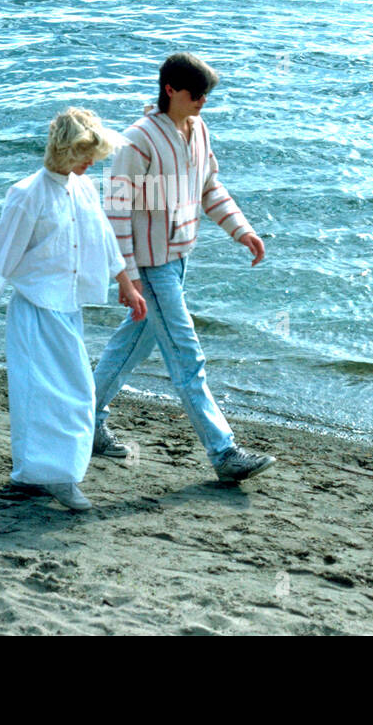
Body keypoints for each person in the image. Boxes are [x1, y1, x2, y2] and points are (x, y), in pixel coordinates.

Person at [94, 52, 276, 483]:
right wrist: (128, 277)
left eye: (207, 95)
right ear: (170, 90)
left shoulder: (198, 130)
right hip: (150, 267)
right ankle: (224, 452)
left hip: (179, 260)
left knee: (130, 347)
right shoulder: (137, 141)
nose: (202, 102)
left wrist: (242, 231)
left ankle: (84, 423)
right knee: (186, 357)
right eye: (196, 94)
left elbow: (209, 188)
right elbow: (116, 213)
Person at [0, 107, 147, 511]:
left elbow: (102, 238)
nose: (90, 163)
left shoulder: (82, 188)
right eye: (86, 155)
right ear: (66, 151)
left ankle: (41, 475)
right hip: (34, 309)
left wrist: (127, 286)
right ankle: (47, 477)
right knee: (40, 396)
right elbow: (3, 257)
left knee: (75, 392)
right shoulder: (27, 194)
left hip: (67, 309)